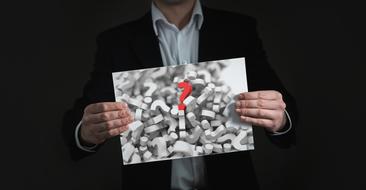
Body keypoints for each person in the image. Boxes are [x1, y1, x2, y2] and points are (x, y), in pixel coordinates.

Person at [62, 0, 297, 189]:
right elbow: (78, 124)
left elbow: (287, 116)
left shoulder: (238, 30)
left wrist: (279, 118)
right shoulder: (115, 43)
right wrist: (85, 131)